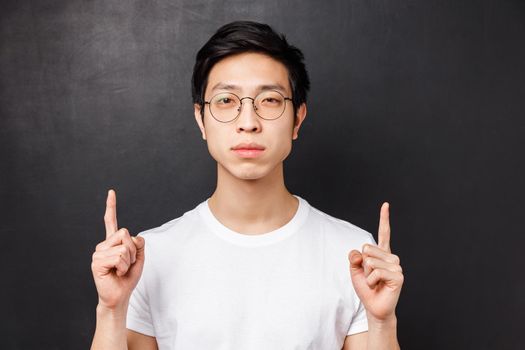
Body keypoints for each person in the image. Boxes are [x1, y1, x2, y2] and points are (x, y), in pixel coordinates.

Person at [90, 21, 403, 350]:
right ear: (201, 120)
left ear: (297, 118)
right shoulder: (148, 258)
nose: (248, 122)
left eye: (269, 100)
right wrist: (111, 310)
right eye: (226, 100)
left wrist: (382, 322)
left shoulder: (352, 253)